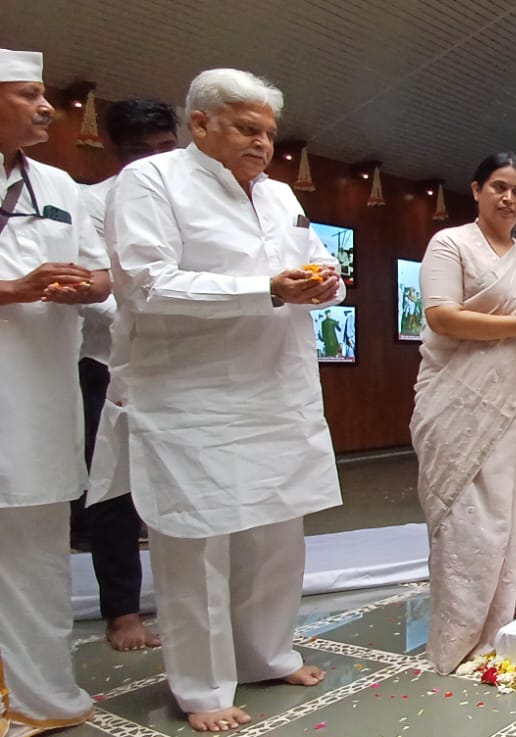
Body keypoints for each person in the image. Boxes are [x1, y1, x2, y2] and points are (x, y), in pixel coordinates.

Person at [98, 68, 341, 733]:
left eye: (268, 131)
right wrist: (266, 288)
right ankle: (202, 687)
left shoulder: (279, 194)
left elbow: (317, 260)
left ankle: (266, 653)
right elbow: (148, 284)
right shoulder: (151, 182)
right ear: (199, 123)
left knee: (276, 533)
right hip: (190, 395)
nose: (263, 143)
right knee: (195, 541)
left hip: (276, 388)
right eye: (247, 128)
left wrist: (326, 284)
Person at [411, 152, 516, 675]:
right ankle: (465, 630)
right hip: (457, 401)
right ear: (477, 190)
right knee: (471, 516)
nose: (509, 199)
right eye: (499, 188)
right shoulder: (451, 244)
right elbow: (441, 317)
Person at [0, 46, 108, 737]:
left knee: (37, 550)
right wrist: (14, 289)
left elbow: (103, 278)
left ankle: (41, 693)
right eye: (28, 94)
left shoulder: (64, 186)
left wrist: (86, 285)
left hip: (40, 395)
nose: (46, 108)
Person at [76, 97, 179, 653]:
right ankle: (121, 611)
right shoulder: (92, 202)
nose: (153, 162)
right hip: (107, 365)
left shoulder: (189, 197)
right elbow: (97, 287)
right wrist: (163, 318)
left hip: (184, 363)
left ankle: (191, 599)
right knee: (112, 493)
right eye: (140, 152)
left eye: (165, 149)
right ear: (118, 152)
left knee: (185, 481)